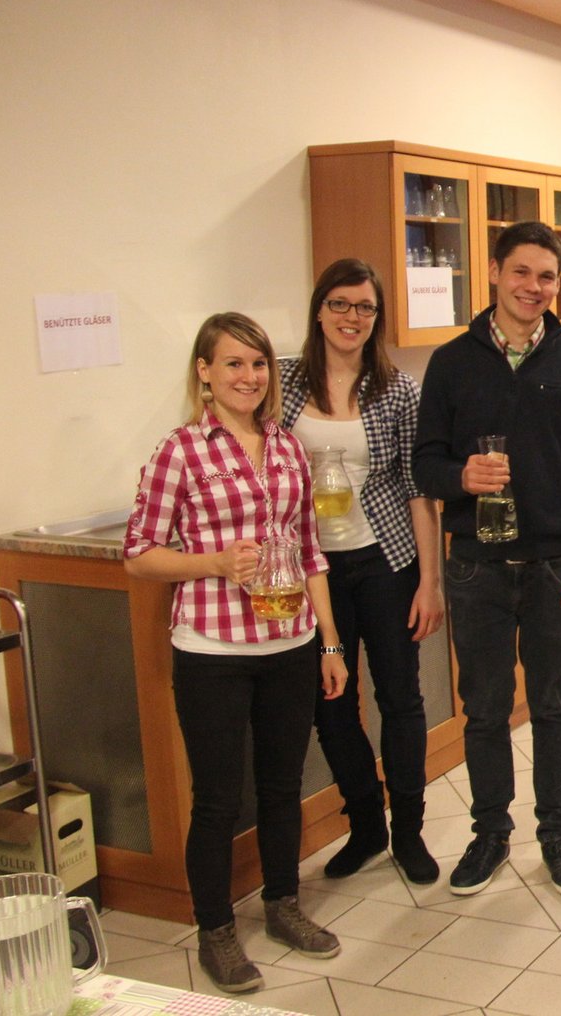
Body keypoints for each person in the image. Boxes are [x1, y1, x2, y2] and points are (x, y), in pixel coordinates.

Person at [124, 313, 349, 994]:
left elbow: (310, 552)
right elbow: (139, 554)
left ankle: (283, 905)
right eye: (233, 364)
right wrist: (215, 562)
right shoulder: (181, 451)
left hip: (290, 642)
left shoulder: (286, 447)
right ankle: (216, 930)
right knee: (218, 799)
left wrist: (329, 641)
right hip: (212, 648)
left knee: (283, 787)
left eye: (258, 364)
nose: (249, 377)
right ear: (204, 372)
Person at [414, 220, 561, 898]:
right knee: (484, 709)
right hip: (476, 566)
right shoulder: (451, 362)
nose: (534, 287)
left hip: (557, 563)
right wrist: (460, 478)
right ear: (494, 273)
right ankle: (490, 834)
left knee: (554, 704)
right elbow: (424, 465)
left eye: (547, 276)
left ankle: (558, 834)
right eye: (522, 272)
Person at [281, 258, 445, 885]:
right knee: (330, 704)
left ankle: (409, 832)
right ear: (320, 309)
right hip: (310, 570)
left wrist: (429, 583)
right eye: (341, 304)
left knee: (400, 698)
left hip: (385, 560)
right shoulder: (283, 382)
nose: (353, 317)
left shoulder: (397, 389)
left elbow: (418, 490)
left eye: (365, 307)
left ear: (377, 317)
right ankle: (366, 825)